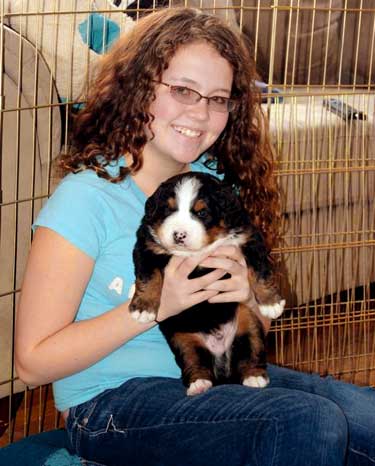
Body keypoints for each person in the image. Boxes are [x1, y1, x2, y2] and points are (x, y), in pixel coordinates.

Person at [15, 7, 374, 466]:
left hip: (219, 377)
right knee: (305, 421)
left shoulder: (214, 192)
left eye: (218, 98)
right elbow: (32, 363)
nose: (200, 113)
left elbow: (251, 330)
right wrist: (160, 304)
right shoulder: (87, 199)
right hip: (110, 404)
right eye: (183, 90)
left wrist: (249, 298)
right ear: (140, 87)